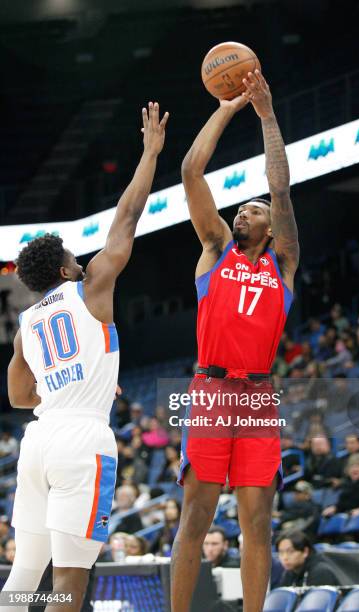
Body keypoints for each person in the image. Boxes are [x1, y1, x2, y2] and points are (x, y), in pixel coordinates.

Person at [2, 102, 169, 612]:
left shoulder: (26, 326)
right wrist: (150, 153)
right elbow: (127, 217)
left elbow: (17, 396)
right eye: (75, 257)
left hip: (38, 441)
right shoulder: (90, 286)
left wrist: (75, 383)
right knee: (70, 582)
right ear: (66, 268)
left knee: (28, 573)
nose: (83, 260)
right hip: (82, 440)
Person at [171, 69, 299, 612]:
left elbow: (280, 186)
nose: (244, 210)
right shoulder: (215, 245)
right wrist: (228, 106)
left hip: (258, 398)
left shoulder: (283, 262)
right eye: (241, 208)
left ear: (270, 229)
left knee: (257, 525)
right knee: (195, 517)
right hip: (212, 390)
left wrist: (267, 115)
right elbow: (190, 170)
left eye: (255, 210)